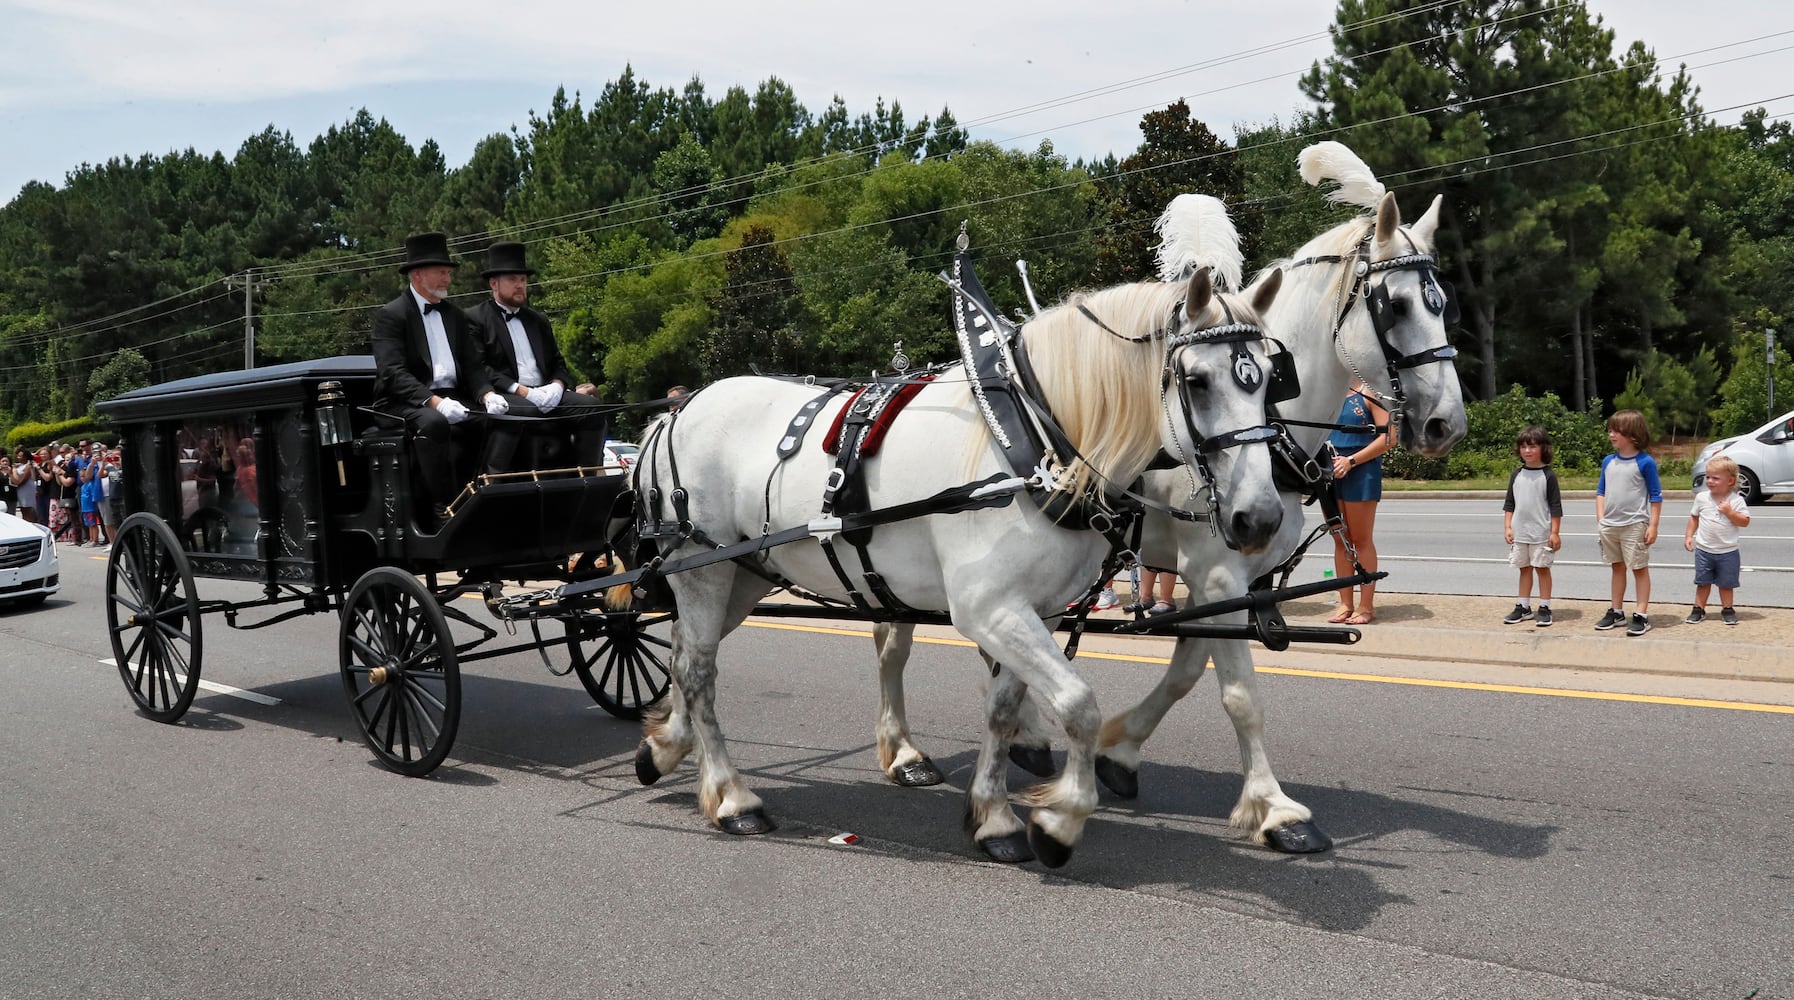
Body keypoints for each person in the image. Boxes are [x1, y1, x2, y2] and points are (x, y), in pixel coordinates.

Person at [370, 231, 511, 524]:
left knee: (493, 421)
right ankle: (439, 507)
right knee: (433, 423)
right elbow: (393, 373)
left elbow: (473, 366)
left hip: (452, 396)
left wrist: (487, 394)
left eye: (448, 273)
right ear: (419, 275)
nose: (448, 279)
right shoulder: (392, 315)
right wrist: (434, 402)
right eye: (442, 273)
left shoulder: (455, 316)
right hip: (402, 403)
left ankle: (478, 494)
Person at [464, 240, 605, 469]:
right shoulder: (475, 318)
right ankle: (494, 480)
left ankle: (586, 477)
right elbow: (480, 368)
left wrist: (557, 386)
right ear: (494, 283)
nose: (520, 285)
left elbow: (558, 362)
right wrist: (522, 391)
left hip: (547, 392)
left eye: (522, 280)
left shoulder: (538, 320)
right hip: (506, 395)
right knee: (525, 409)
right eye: (512, 280)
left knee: (593, 408)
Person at [1325, 379, 1394, 626]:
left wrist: (1351, 461)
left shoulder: (1370, 392)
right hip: (1329, 472)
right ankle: (1345, 602)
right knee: (1339, 539)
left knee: (1360, 539)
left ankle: (1366, 606)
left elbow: (1390, 437)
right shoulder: (1327, 391)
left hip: (1361, 471)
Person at [1593, 409, 1662, 636]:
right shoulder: (1608, 461)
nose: (1612, 435)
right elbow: (1601, 491)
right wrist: (1601, 518)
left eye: (1617, 431)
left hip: (1635, 525)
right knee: (1617, 567)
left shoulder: (1645, 462)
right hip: (1610, 525)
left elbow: (1655, 496)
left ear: (1633, 435)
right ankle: (1616, 611)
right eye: (1610, 430)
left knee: (1639, 568)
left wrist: (1652, 525)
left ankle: (1641, 614)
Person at [1501, 426, 1563, 626]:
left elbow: (1555, 506)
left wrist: (1555, 532)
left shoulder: (1548, 476)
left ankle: (1544, 606)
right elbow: (1510, 503)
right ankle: (1523, 606)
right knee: (1524, 568)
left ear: (1543, 448)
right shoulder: (1517, 474)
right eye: (1523, 447)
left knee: (1542, 568)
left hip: (1541, 533)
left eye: (1532, 446)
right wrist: (1508, 527)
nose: (1527, 451)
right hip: (1520, 532)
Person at [1683, 453, 1750, 626]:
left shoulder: (1736, 501)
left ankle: (1727, 609)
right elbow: (1694, 517)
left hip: (1728, 552)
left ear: (1730, 481)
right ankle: (1698, 609)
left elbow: (1744, 522)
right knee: (1703, 582)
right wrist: (1689, 535)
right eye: (1708, 477)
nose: (1710, 481)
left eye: (1716, 478)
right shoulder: (1702, 498)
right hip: (1704, 550)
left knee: (1726, 584)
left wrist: (1730, 512)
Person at [9, 447, 37, 523]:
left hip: (27, 490)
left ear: (25, 457)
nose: (18, 457)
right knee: (23, 510)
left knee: (28, 510)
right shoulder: (20, 465)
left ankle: (32, 525)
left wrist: (16, 483)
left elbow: (24, 480)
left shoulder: (28, 466)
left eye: (20, 456)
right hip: (20, 490)